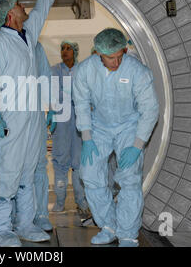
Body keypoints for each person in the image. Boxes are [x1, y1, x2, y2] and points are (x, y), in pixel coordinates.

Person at [0, 0, 70, 247]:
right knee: (8, 174)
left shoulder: (27, 38)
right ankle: (1, 229)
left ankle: (25, 224)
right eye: (19, 5)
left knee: (31, 172)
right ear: (10, 15)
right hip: (11, 120)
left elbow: (42, 9)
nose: (24, 7)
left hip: (32, 118)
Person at [72, 28, 159, 247]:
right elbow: (81, 105)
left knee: (129, 178)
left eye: (120, 56)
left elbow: (150, 110)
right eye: (111, 58)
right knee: (90, 174)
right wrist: (87, 138)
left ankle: (128, 234)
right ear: (98, 53)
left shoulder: (137, 72)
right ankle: (109, 225)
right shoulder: (84, 71)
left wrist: (138, 145)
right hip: (99, 127)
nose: (116, 62)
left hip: (129, 127)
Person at [47, 41, 91, 220]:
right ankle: (59, 202)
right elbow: (50, 94)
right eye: (62, 49)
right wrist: (50, 109)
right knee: (60, 162)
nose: (65, 52)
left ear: (75, 51)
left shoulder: (83, 70)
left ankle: (81, 202)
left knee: (79, 164)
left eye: (68, 48)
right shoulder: (54, 71)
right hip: (61, 122)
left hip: (80, 122)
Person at [33, 42, 53, 232]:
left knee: (39, 165)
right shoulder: (0, 43)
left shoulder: (37, 46)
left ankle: (41, 214)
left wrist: (51, 107)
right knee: (14, 169)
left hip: (35, 115)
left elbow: (46, 76)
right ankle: (17, 216)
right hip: (11, 116)